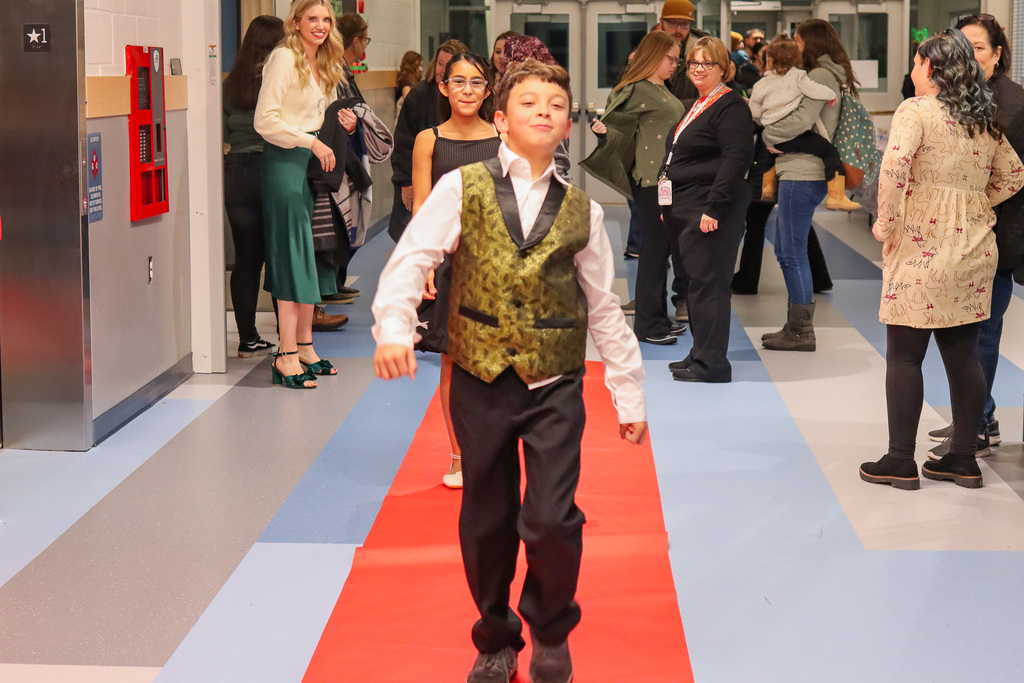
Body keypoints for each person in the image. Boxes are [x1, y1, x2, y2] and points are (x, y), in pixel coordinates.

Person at [372, 59, 647, 683]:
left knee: (551, 518)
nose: (543, 111)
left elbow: (605, 307)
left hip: (555, 383)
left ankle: (552, 631)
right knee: (487, 518)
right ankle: (496, 635)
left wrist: (628, 393)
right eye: (528, 102)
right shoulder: (461, 187)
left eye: (556, 103)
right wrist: (395, 328)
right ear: (500, 119)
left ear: (567, 125)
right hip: (480, 378)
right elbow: (414, 259)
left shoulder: (584, 211)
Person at [859, 29, 1023, 491]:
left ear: (931, 68)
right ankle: (962, 459)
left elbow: (892, 169)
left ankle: (899, 461)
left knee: (905, 357)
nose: (912, 72)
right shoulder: (984, 118)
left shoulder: (917, 111)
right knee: (963, 355)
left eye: (915, 63)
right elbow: (1014, 174)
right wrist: (973, 202)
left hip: (921, 244)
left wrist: (885, 224)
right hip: (973, 246)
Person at [926, 14, 1024, 457]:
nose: (968, 55)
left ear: (998, 53)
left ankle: (976, 427)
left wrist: (970, 207)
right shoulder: (965, 97)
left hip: (998, 238)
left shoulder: (1011, 104)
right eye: (962, 46)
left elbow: (1009, 178)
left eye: (979, 48)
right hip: (965, 239)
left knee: (982, 333)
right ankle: (978, 416)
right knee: (969, 333)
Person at [410, 52, 500, 490]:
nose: (467, 90)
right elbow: (422, 207)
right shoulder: (429, 140)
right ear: (443, 87)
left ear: (488, 89)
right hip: (448, 262)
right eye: (458, 82)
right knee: (453, 364)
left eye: (476, 82)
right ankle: (459, 454)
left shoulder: (504, 137)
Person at [254, 0, 354, 388]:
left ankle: (305, 346)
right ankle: (285, 354)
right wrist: (308, 143)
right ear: (295, 22)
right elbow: (265, 119)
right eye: (312, 18)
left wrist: (340, 123)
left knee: (309, 251)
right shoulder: (284, 57)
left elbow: (317, 116)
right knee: (292, 254)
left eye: (326, 19)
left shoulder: (324, 61)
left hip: (312, 163)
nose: (321, 25)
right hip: (285, 162)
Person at [582, 31, 687, 345]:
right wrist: (603, 133)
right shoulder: (637, 89)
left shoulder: (661, 88)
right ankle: (648, 325)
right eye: (671, 58)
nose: (675, 64)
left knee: (660, 252)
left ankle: (656, 318)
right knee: (654, 254)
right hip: (651, 182)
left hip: (664, 181)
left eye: (676, 59)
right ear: (654, 56)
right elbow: (615, 127)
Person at [760, 19, 858, 352]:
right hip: (805, 170)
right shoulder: (830, 74)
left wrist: (767, 135)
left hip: (803, 171)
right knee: (789, 250)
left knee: (791, 253)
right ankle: (796, 325)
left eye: (799, 41)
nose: (795, 47)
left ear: (810, 43)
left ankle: (801, 330)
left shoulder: (819, 77)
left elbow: (800, 121)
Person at [662, 36, 754, 383]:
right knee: (697, 285)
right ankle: (699, 353)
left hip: (711, 208)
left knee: (710, 286)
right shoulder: (700, 103)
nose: (699, 69)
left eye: (707, 64)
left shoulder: (731, 106)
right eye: (694, 63)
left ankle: (712, 364)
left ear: (724, 68)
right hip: (686, 206)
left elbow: (736, 159)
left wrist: (714, 207)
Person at [223, 15, 284, 359]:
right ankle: (287, 339)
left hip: (237, 173)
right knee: (279, 258)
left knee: (246, 259)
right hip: (270, 168)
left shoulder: (231, 83)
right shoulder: (279, 79)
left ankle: (247, 338)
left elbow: (225, 135)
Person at [750, 37, 861, 211]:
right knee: (829, 152)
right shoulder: (798, 76)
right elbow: (814, 89)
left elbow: (755, 112)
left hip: (772, 134)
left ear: (769, 61)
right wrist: (830, 94)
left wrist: (765, 118)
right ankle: (836, 195)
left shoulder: (761, 84)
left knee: (771, 155)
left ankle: (767, 187)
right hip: (794, 134)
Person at [387, 39, 469, 242]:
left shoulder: (467, 97)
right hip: (420, 181)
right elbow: (403, 143)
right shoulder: (419, 95)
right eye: (440, 63)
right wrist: (405, 184)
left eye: (449, 65)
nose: (443, 69)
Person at [394, 50, 422, 116]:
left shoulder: (410, 80)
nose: (421, 69)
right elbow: (408, 102)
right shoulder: (405, 81)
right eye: (419, 65)